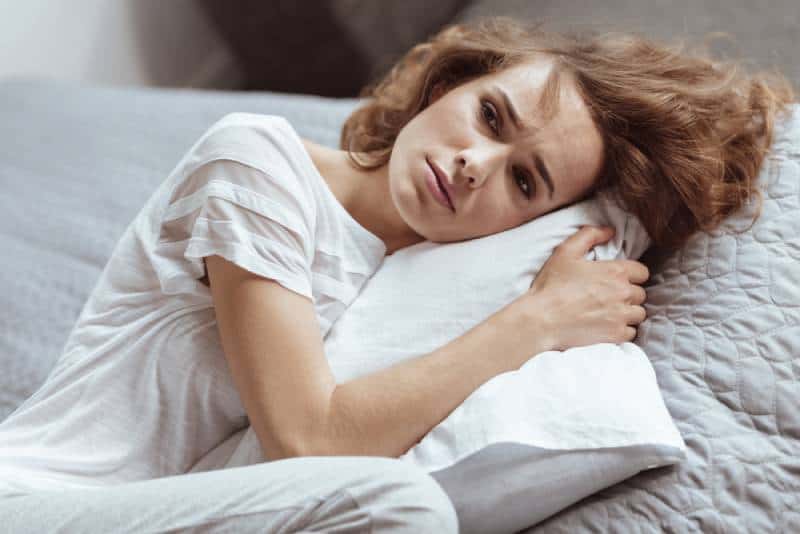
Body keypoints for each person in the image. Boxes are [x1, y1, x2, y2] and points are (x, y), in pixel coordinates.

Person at [0, 16, 793, 533]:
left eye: (524, 182)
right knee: (398, 506)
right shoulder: (255, 159)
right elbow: (310, 442)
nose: (472, 166)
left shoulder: (405, 274)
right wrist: (534, 324)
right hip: (33, 503)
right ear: (451, 83)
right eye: (489, 117)